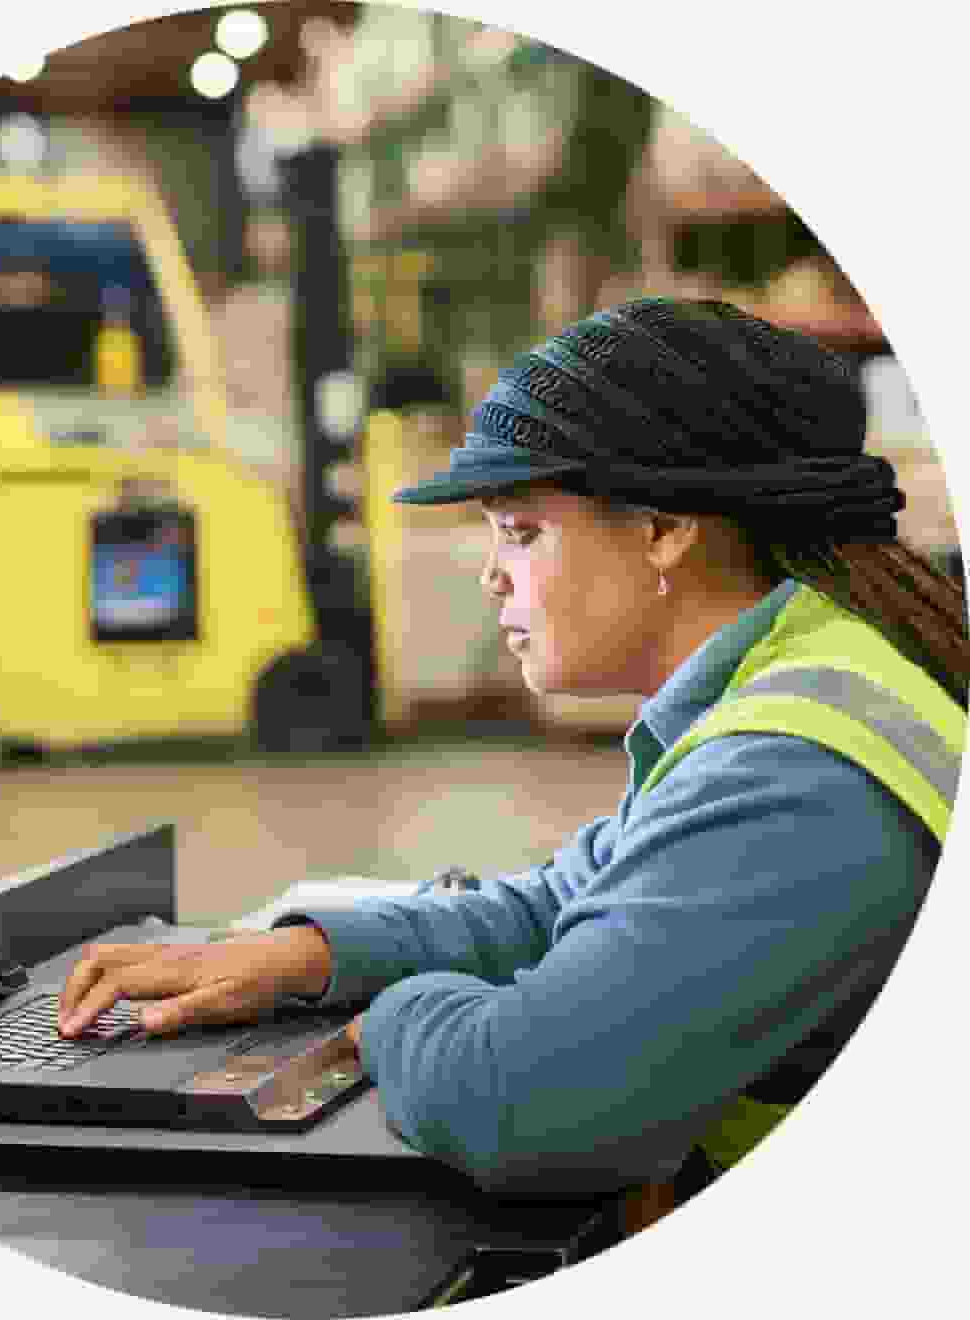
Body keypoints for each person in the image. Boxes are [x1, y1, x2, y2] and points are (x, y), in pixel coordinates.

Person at [58, 298, 967, 1199]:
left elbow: (525, 1104)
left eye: (522, 532)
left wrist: (387, 1025)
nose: (492, 573)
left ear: (664, 528)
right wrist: (305, 958)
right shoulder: (810, 669)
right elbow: (569, 903)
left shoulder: (794, 771)